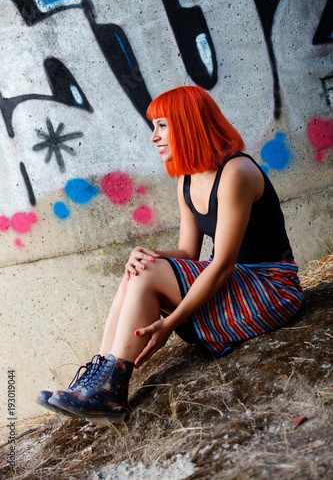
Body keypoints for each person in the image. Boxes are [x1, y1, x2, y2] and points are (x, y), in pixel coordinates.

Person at [36, 86, 303, 425]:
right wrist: (146, 253)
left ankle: (110, 388)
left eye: (162, 125)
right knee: (140, 266)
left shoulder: (236, 173)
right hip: (237, 286)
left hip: (271, 289)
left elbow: (222, 264)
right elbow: (189, 253)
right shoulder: (187, 180)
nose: (154, 137)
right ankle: (99, 376)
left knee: (148, 272)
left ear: (189, 124)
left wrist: (169, 324)